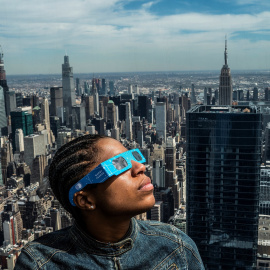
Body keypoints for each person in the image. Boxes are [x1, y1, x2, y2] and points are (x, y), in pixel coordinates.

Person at [15, 134, 205, 269]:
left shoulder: (175, 245)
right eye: (119, 164)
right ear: (86, 200)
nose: (140, 167)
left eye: (133, 157)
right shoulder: (39, 263)